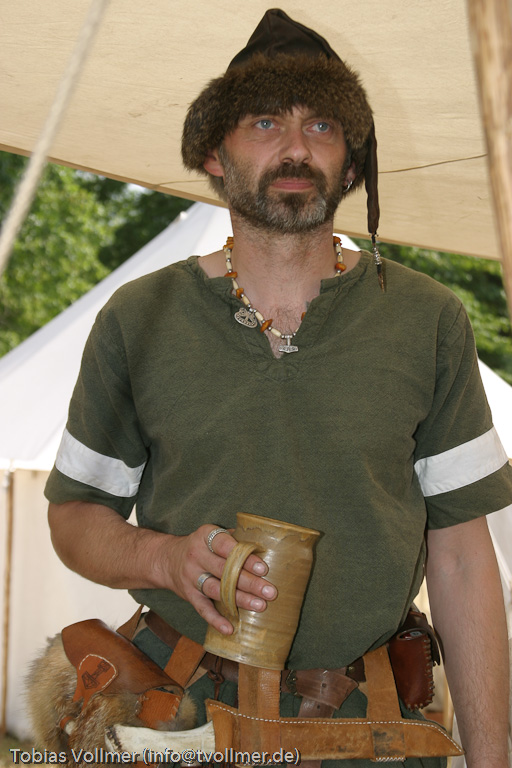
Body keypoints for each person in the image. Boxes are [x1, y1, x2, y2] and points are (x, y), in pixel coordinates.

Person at [45, 9, 512, 768]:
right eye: (265, 122)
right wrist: (165, 560)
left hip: (370, 725)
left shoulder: (426, 319)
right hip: (177, 720)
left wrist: (491, 760)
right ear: (214, 153)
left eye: (322, 126)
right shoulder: (140, 318)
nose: (296, 147)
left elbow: (461, 556)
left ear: (351, 164)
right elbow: (73, 517)